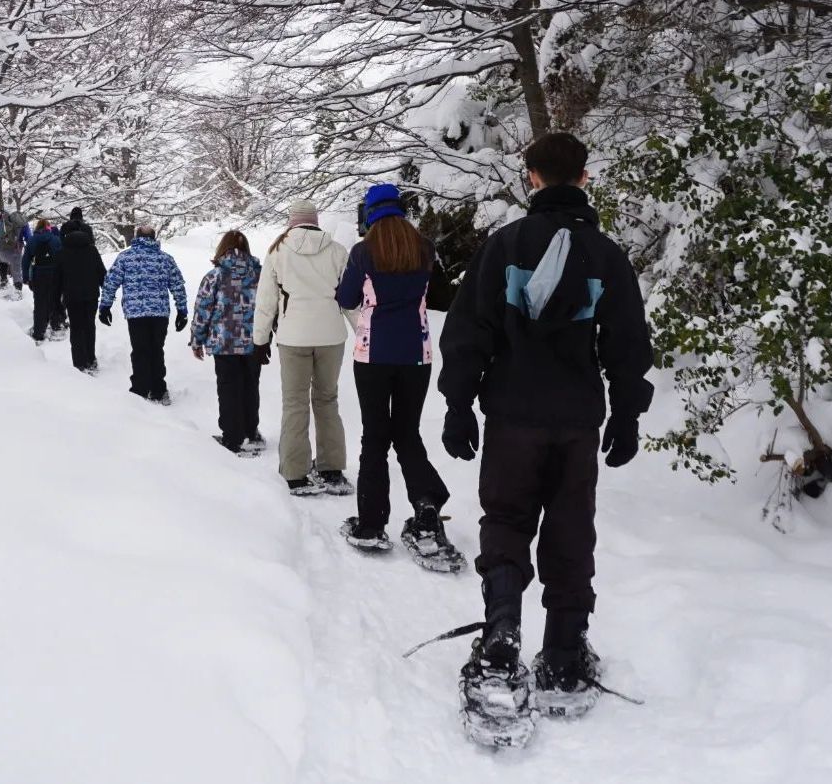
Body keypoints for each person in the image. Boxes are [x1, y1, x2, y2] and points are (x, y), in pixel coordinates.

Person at [438, 132, 653, 710]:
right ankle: (563, 652)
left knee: (507, 519)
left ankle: (501, 635)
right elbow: (627, 341)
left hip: (512, 416)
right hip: (576, 420)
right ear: (584, 176)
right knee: (570, 527)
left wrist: (459, 404)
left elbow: (469, 330)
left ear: (531, 177)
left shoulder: (504, 246)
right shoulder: (605, 255)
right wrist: (627, 413)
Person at [335, 184, 462, 566]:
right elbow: (440, 296)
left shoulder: (363, 252)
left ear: (370, 214)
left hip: (372, 356)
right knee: (407, 434)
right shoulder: (424, 248)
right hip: (416, 355)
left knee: (375, 437)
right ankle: (426, 508)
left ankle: (372, 524)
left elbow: (346, 299)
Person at [253, 199, 353, 497]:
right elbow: (350, 299)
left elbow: (266, 300)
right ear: (315, 220)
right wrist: (365, 333)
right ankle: (331, 470)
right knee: (327, 400)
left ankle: (296, 474)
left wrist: (260, 340)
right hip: (331, 337)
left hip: (293, 337)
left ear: (291, 222)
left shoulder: (278, 251)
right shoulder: (337, 251)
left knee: (294, 403)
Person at [189, 230, 264, 454]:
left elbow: (203, 309)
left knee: (229, 389)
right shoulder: (260, 275)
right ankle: (251, 432)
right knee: (250, 386)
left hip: (224, 342)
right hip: (253, 341)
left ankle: (232, 437)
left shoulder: (214, 276)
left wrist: (197, 340)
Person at [99, 225, 188, 403]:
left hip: (136, 313)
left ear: (136, 237)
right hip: (160, 313)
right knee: (156, 349)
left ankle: (140, 389)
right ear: (154, 238)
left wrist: (105, 307)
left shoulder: (125, 257)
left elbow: (111, 282)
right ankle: (158, 389)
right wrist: (182, 310)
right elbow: (177, 285)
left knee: (140, 350)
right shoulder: (165, 259)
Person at [58, 227, 107, 372]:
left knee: (76, 327)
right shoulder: (92, 251)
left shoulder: (62, 252)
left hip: (71, 297)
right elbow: (101, 272)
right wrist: (106, 291)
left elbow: (57, 277)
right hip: (91, 296)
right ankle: (90, 359)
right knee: (89, 326)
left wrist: (56, 299)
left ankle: (79, 362)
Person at [22, 219, 65, 343]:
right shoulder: (56, 240)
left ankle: (39, 332)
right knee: (55, 300)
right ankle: (57, 327)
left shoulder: (32, 240)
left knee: (40, 303)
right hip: (54, 275)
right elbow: (63, 258)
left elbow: (25, 260)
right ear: (48, 227)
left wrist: (26, 277)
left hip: (38, 275)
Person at [0, 209, 29, 293]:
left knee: (3, 263)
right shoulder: (23, 223)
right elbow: (29, 237)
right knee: (17, 271)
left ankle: (4, 284)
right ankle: (18, 291)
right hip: (16, 250)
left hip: (2, 251)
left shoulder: (2, 223)